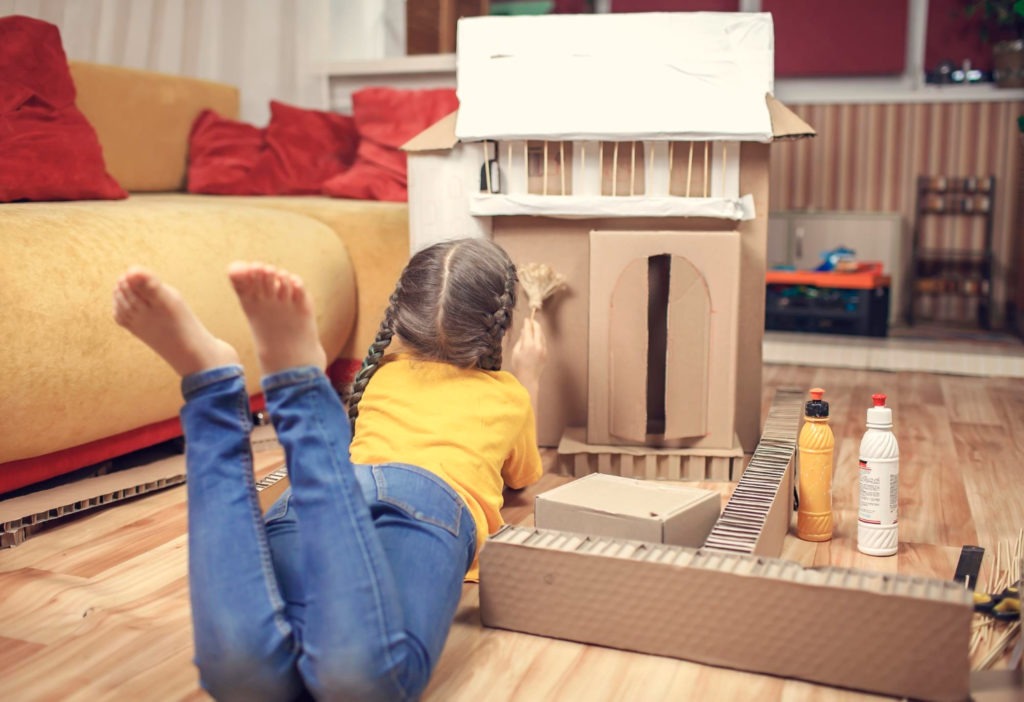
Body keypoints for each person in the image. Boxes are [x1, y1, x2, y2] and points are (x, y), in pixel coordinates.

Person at [111, 238, 545, 702]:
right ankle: (265, 391)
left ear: (402, 314)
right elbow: (522, 478)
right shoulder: (508, 395)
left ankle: (236, 386)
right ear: (497, 328)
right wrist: (530, 376)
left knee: (248, 683)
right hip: (426, 502)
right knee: (346, 682)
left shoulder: (381, 373)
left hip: (332, 495)